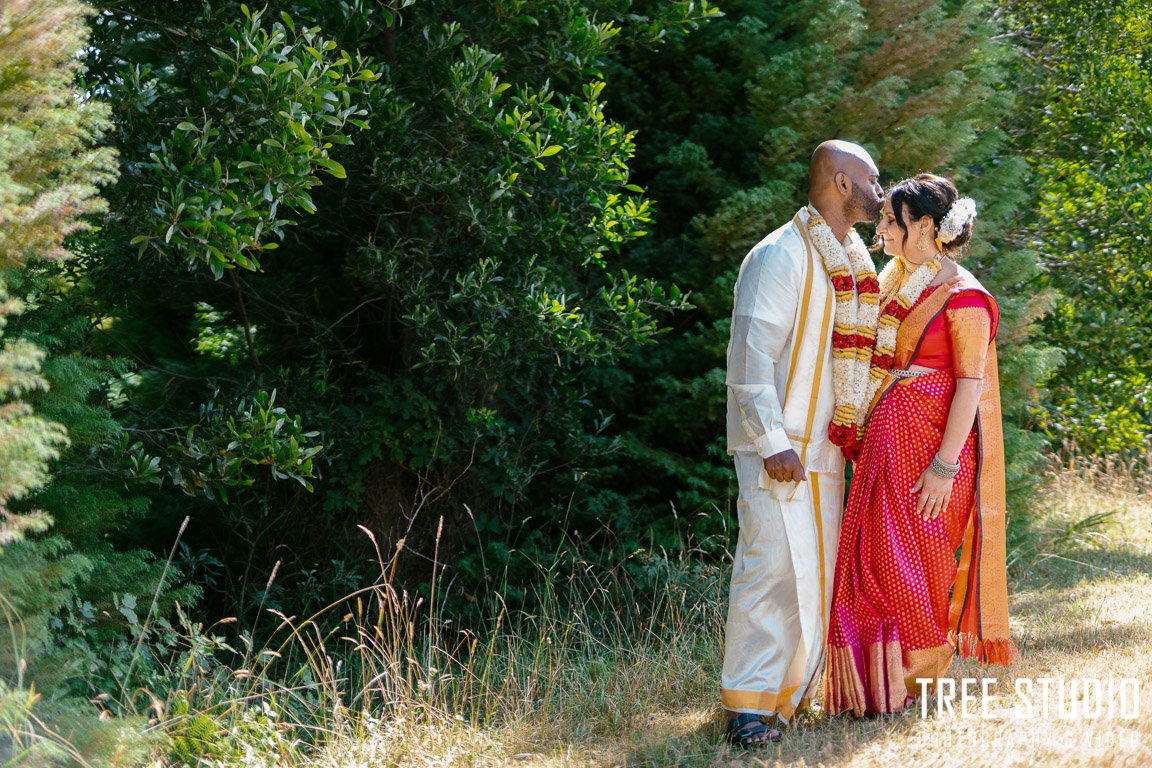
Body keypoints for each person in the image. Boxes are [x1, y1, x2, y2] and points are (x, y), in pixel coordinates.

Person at [823, 174, 1017, 717]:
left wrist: (943, 467)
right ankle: (870, 687)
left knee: (916, 568)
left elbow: (970, 388)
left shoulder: (964, 297)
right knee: (874, 561)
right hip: (886, 444)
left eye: (892, 220)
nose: (880, 229)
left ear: (926, 226)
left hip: (931, 453)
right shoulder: (896, 281)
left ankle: (912, 679)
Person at [722, 140, 883, 746]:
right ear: (841, 183)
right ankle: (746, 709)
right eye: (872, 180)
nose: (880, 192)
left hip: (827, 452)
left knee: (810, 579)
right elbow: (750, 357)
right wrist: (772, 442)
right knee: (767, 572)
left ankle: (789, 697)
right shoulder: (779, 254)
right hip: (779, 453)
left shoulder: (855, 265)